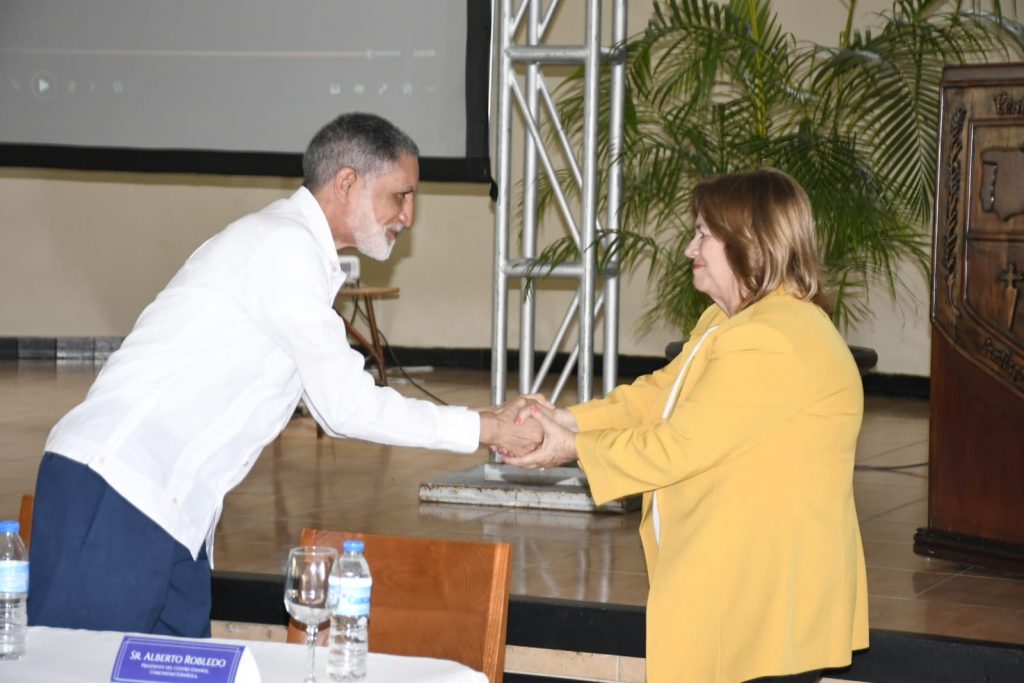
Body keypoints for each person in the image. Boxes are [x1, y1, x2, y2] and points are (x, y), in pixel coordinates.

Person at [28, 112, 539, 637]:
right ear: (346, 182)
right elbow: (346, 408)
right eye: (400, 196)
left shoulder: (294, 253)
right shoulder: (283, 247)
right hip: (119, 490)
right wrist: (486, 427)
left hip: (172, 514)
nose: (409, 216)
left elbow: (331, 405)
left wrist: (485, 422)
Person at [501, 169, 869, 682]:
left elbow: (676, 446)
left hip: (761, 595)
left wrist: (573, 448)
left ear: (750, 243)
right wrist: (564, 420)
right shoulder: (736, 322)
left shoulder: (769, 339)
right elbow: (659, 395)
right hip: (747, 584)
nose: (688, 249)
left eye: (703, 234)